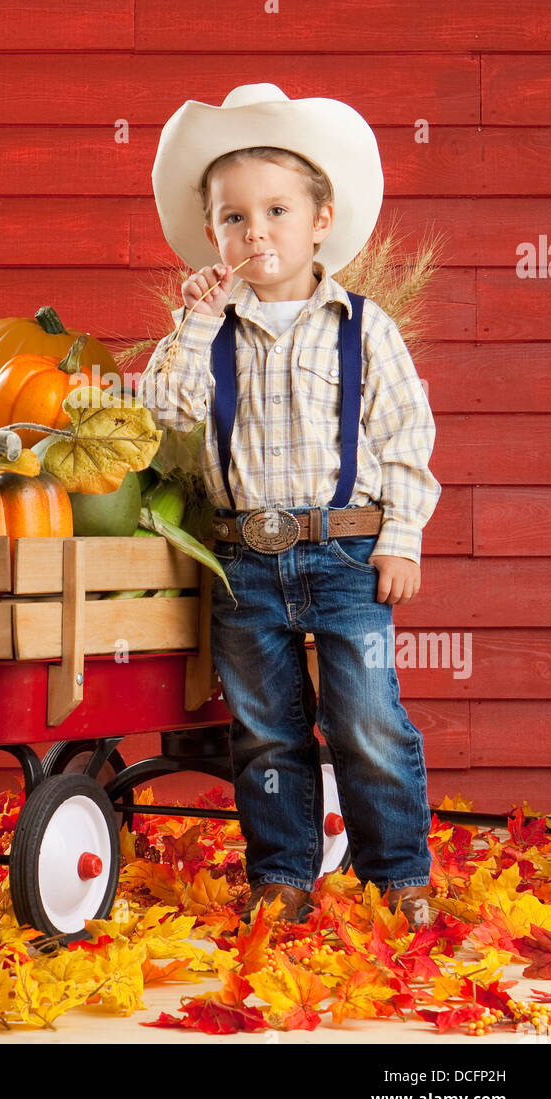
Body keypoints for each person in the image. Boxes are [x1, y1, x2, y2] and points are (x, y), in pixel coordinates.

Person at [137, 83, 441, 931]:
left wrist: (403, 537)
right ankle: (282, 875)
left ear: (320, 222)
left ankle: (398, 875)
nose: (255, 230)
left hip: (346, 552)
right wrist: (192, 325)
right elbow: (163, 417)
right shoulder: (207, 330)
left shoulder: (363, 325)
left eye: (276, 210)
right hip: (244, 562)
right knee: (268, 734)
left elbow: (404, 435)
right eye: (234, 217)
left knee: (367, 720)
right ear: (213, 235)